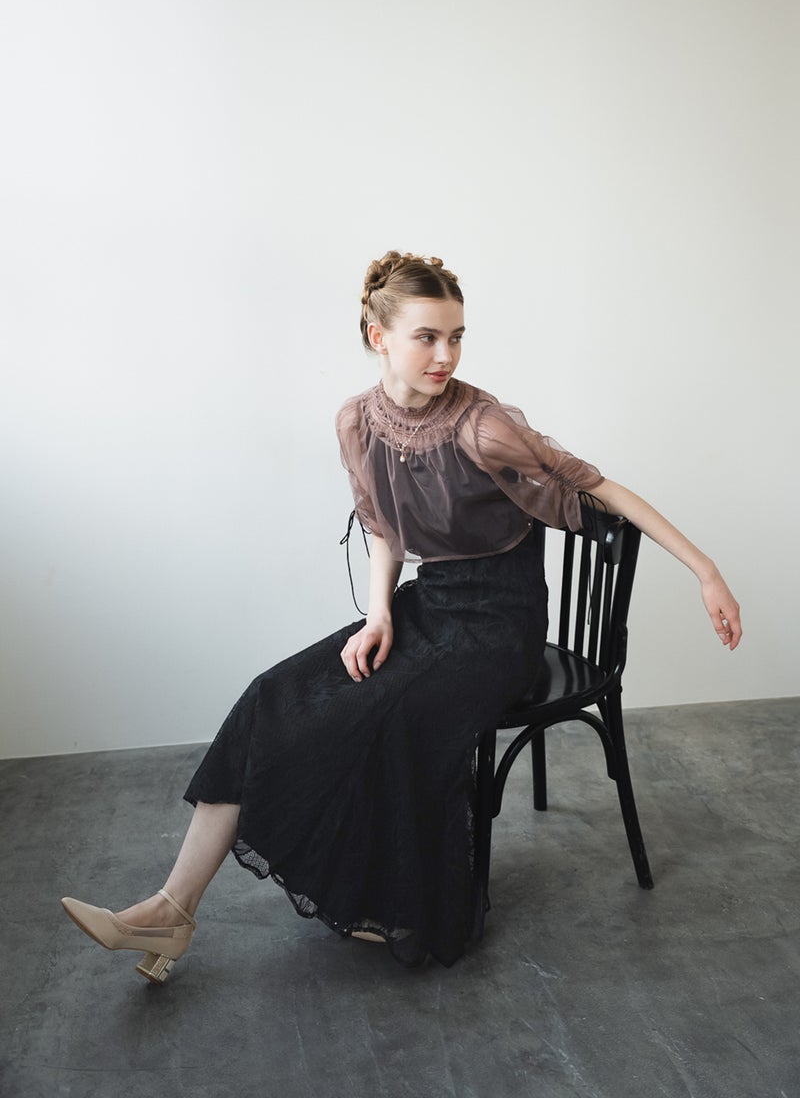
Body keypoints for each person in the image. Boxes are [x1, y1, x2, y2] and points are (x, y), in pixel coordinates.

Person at [61, 250, 742, 981]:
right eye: (428, 337)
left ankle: (397, 901)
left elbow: (600, 487)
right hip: (431, 604)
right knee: (274, 697)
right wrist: (380, 614)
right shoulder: (357, 422)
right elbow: (384, 527)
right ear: (378, 335)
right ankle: (171, 910)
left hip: (500, 624)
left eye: (457, 336)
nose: (446, 355)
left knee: (387, 711)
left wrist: (706, 570)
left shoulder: (482, 426)